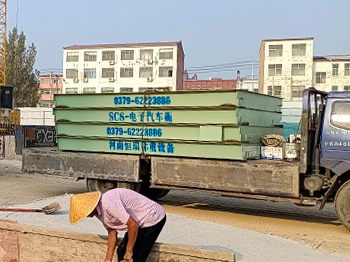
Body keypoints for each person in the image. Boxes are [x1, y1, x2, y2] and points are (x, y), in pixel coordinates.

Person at [69, 188, 166, 262]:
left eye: (86, 214)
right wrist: (108, 258)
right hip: (137, 220)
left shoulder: (108, 204)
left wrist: (129, 250)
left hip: (152, 217)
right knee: (121, 252)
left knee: (137, 256)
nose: (86, 216)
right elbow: (112, 232)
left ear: (90, 208)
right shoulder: (98, 213)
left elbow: (133, 225)